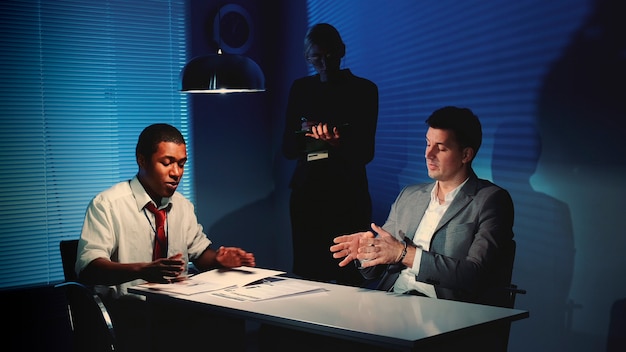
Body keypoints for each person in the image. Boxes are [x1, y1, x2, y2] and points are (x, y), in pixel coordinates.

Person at [75, 123, 256, 352]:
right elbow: (89, 268)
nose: (176, 173)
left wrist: (220, 259)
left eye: (181, 164)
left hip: (176, 310)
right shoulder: (108, 205)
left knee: (230, 324)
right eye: (167, 162)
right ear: (142, 160)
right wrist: (143, 270)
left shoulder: (182, 206)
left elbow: (201, 255)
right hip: (128, 314)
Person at [330, 106, 516, 309]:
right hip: (392, 301)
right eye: (427, 144)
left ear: (466, 154)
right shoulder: (409, 196)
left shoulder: (491, 200)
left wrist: (405, 254)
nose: (429, 154)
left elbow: (474, 274)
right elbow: (373, 272)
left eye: (441, 148)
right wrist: (367, 253)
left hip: (445, 310)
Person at [281, 23, 378, 287]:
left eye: (330, 54)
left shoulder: (364, 90)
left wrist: (337, 144)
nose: (324, 62)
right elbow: (287, 149)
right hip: (308, 194)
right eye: (317, 57)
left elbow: (365, 153)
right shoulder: (301, 89)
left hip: (347, 195)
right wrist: (303, 134)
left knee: (350, 272)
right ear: (307, 57)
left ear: (341, 51)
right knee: (309, 276)